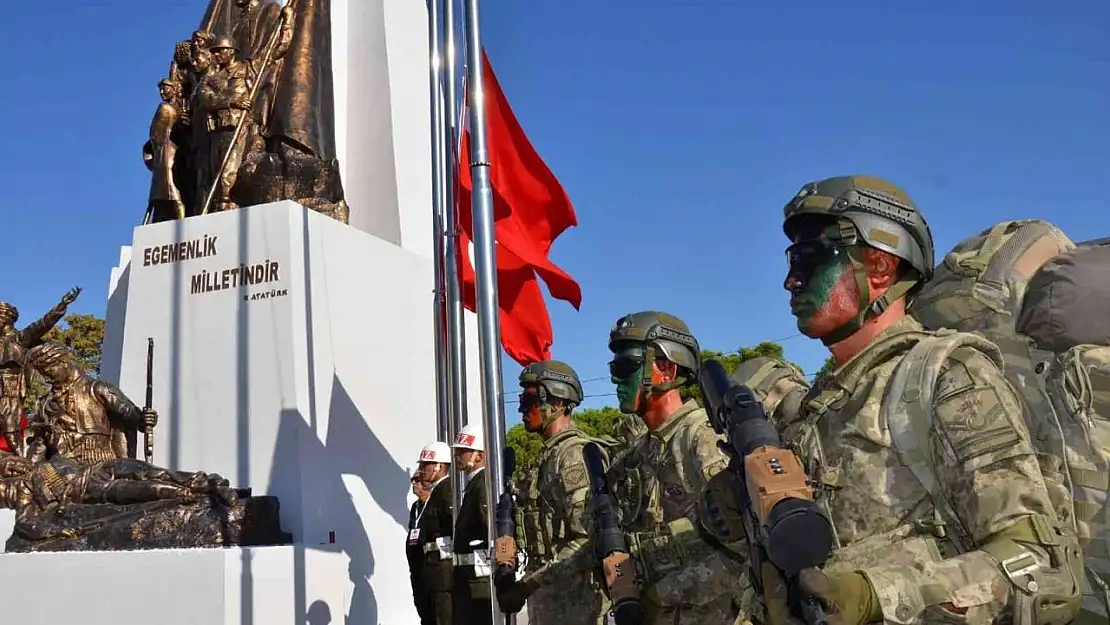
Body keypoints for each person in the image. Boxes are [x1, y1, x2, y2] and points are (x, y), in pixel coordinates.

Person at [746, 175, 1084, 624]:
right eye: (793, 261)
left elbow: (1036, 564)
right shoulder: (819, 405)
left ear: (881, 268)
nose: (791, 281)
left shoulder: (946, 376)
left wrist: (875, 597)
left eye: (810, 260)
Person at [604, 311, 746, 624]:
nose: (616, 379)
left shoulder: (702, 438)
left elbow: (743, 551)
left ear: (666, 369)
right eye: (614, 368)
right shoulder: (640, 453)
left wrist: (662, 595)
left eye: (626, 367)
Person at [513, 360, 611, 625]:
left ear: (557, 403)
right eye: (523, 399)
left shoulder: (573, 456)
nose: (523, 408)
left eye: (531, 399)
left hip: (578, 606)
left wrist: (529, 584)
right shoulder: (546, 457)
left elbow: (586, 541)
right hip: (550, 605)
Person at [451, 423, 492, 625]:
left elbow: (488, 528)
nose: (458, 455)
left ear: (480, 455)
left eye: (463, 451)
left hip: (477, 581)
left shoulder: (482, 483)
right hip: (468, 578)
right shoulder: (473, 484)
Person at [416, 440, 454, 625]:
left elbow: (451, 526)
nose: (422, 469)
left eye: (426, 465)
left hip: (443, 573)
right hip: (434, 571)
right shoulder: (437, 492)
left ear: (439, 466)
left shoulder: (446, 491)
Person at [407, 471, 434, 625]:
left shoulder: (433, 503)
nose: (414, 483)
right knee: (422, 608)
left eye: (417, 480)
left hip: (429, 567)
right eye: (413, 480)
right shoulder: (415, 507)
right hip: (416, 569)